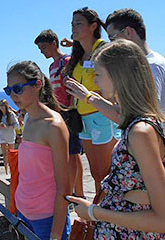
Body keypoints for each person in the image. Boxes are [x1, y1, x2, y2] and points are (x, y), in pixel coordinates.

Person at [67, 39, 165, 239]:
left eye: (99, 74)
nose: (95, 82)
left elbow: (162, 220)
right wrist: (88, 98)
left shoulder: (140, 133)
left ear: (118, 77)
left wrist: (93, 212)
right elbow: (119, 116)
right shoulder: (146, 122)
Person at [5, 61, 71, 239]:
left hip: (46, 218)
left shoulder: (53, 126)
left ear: (37, 84)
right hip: (24, 212)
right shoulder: (27, 119)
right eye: (8, 90)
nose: (12, 95)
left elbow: (64, 186)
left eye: (17, 89)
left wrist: (56, 234)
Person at [63, 7, 121, 194]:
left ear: (93, 26)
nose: (74, 27)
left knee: (106, 173)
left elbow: (115, 85)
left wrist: (87, 93)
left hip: (103, 116)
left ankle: (107, 215)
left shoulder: (103, 50)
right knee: (96, 173)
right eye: (72, 24)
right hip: (84, 120)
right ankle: (100, 215)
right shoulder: (79, 55)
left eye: (78, 23)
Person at [35, 29, 84, 198]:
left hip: (70, 112)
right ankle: (73, 190)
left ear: (53, 44)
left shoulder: (67, 61)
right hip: (60, 113)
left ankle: (78, 192)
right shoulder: (52, 66)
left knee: (73, 153)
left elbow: (73, 85)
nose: (42, 51)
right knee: (68, 153)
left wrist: (70, 105)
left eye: (43, 47)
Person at [0, 99, 18, 175]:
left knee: (11, 153)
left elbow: (16, 124)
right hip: (2, 136)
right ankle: (6, 172)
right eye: (0, 105)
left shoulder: (11, 114)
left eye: (2, 105)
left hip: (10, 135)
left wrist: (8, 126)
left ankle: (13, 170)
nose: (1, 107)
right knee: (4, 154)